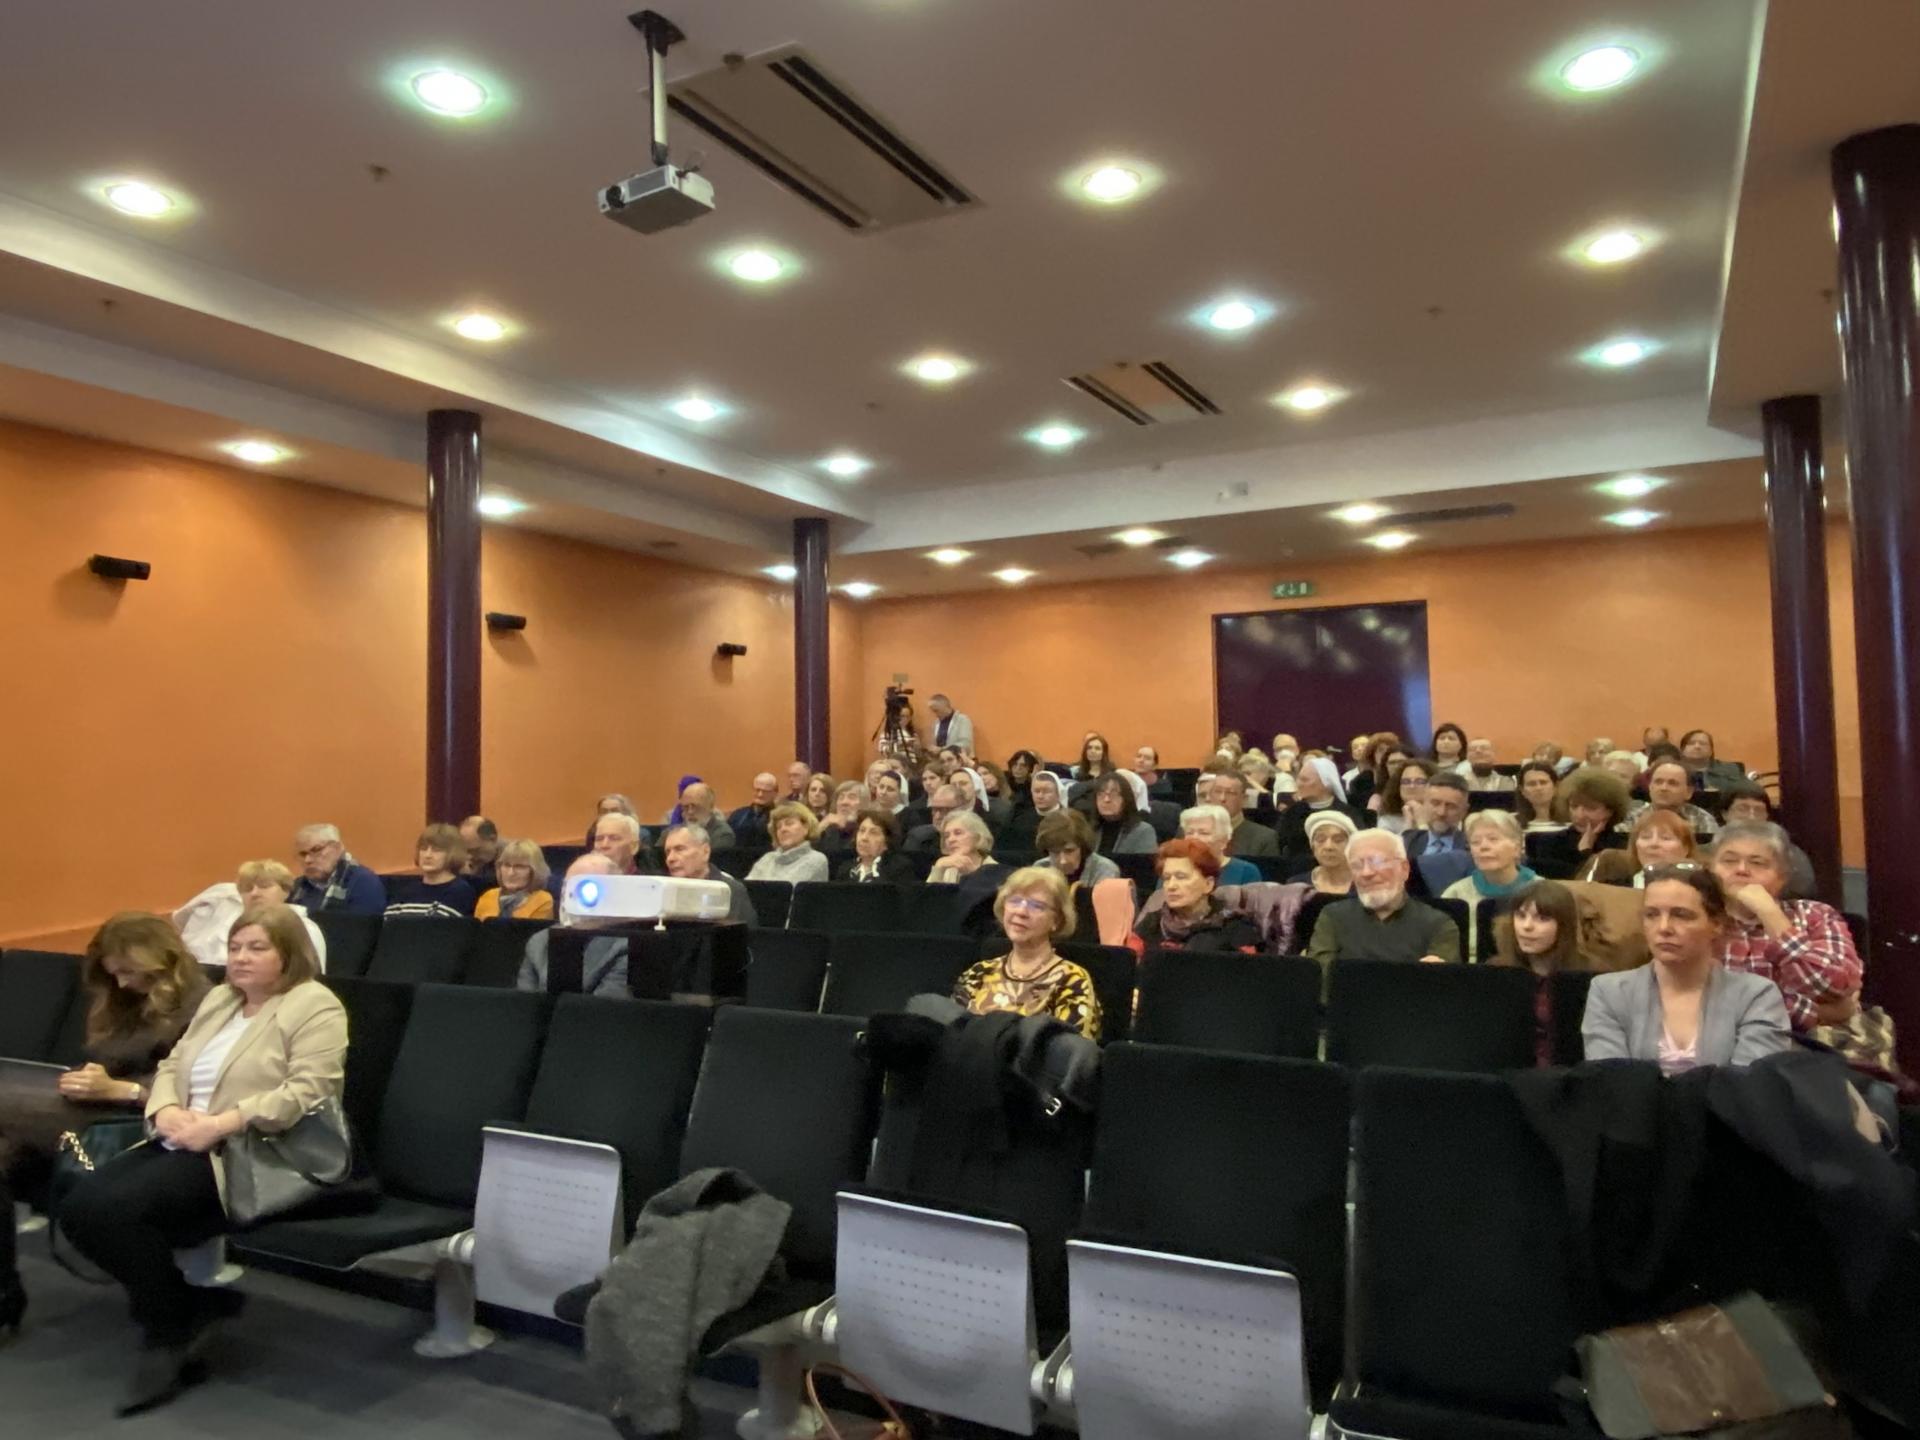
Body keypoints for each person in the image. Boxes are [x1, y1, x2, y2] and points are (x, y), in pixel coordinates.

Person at [61, 905, 346, 1414]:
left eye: (257, 948)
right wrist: (165, 1107)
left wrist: (221, 1123)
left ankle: (167, 1330)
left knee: (115, 1212)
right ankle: (189, 1306)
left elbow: (309, 1091)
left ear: (289, 953)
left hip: (255, 1148)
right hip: (187, 1134)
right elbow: (173, 1064)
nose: (241, 958)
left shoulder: (314, 1005)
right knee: (80, 1206)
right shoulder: (221, 999)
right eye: (235, 947)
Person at [0, 913, 210, 1340]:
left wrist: (120, 1088)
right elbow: (107, 1063)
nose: (121, 983)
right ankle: (3, 1291)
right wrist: (91, 1080)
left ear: (158, 960)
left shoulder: (203, 1006)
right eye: (114, 974)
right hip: (96, 1111)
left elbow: (195, 1091)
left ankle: (5, 1295)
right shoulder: (123, 1001)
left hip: (144, 1118)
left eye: (128, 971)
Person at [1581, 866, 1791, 1072]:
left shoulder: (1756, 995)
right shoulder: (1609, 991)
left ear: (1717, 924)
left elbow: (1751, 1083)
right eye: (1651, 915)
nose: (1663, 928)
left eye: (1681, 915)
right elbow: (1611, 1081)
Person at [1710, 821, 1863, 1034]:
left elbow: (1835, 988)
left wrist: (1769, 914)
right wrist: (1818, 1013)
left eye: (1757, 863)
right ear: (1710, 869)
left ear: (1782, 877)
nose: (1741, 870)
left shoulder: (1816, 914)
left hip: (1804, 1043)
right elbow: (1700, 1001)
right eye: (1729, 861)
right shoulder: (1699, 918)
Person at [951, 868, 1101, 1039]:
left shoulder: (1072, 980)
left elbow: (1072, 1050)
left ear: (1056, 920)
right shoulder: (978, 973)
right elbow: (951, 1035)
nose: (1021, 912)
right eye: (1014, 901)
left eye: (1037, 906)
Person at [1305, 829, 1461, 970]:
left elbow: (1442, 985)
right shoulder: (1333, 917)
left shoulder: (1437, 924)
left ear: (1404, 869)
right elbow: (1321, 977)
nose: (1366, 873)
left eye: (1377, 862)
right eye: (1357, 865)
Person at [1489, 879, 1588, 1066]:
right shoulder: (1495, 971)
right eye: (1520, 915)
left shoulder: (1589, 976)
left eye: (1542, 918)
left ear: (1564, 926)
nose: (1527, 926)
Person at [173, 859, 327, 971]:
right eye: (247, 888)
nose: (254, 893)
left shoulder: (304, 928)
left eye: (264, 886)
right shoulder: (230, 924)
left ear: (286, 891)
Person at [518, 855, 635, 996]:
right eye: (566, 886)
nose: (569, 895)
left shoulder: (628, 947)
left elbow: (607, 1004)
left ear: (614, 894)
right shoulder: (540, 942)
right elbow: (526, 1003)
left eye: (584, 886)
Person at [1133, 839, 1263, 953]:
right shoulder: (1151, 924)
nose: (1171, 886)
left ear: (1208, 884)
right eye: (1166, 878)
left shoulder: (1234, 927)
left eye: (1181, 877)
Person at [1442, 810, 1539, 960]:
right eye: (1475, 842)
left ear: (1517, 848)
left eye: (1493, 839)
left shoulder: (1543, 890)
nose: (1483, 847)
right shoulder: (1456, 893)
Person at [1719, 782, 1817, 899]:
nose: (1751, 816)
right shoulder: (1708, 850)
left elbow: (1801, 889)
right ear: (1724, 814)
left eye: (1759, 810)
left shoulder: (1787, 852)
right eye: (1743, 809)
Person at [1273, 756, 1363, 875]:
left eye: (1305, 780)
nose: (1298, 784)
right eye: (1298, 779)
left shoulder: (1347, 814)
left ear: (1326, 783)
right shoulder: (1293, 812)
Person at [1533, 766, 1632, 872]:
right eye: (1574, 806)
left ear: (1611, 810)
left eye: (1590, 808)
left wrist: (1585, 851)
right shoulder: (1549, 843)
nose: (1579, 815)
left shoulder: (1625, 845)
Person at [661, 824, 758, 924]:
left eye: (680, 849)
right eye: (667, 852)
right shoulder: (663, 890)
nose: (670, 859)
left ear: (705, 852)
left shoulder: (730, 890)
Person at [1580, 808, 1698, 886]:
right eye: (1645, 837)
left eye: (1665, 838)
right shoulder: (1614, 887)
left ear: (1686, 849)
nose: (1653, 844)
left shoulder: (1700, 890)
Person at [384, 822, 478, 918]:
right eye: (424, 849)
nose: (428, 855)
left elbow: (436, 923)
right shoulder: (405, 891)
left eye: (436, 850)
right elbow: (388, 922)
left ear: (453, 853)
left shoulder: (460, 891)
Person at [287, 823, 385, 915]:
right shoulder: (297, 887)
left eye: (316, 850)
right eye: (303, 854)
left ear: (337, 848)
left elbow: (363, 925)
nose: (307, 860)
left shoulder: (362, 881)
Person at [1404, 772, 1475, 895]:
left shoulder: (1472, 848)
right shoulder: (1407, 841)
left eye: (1451, 806)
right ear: (1424, 803)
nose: (1441, 812)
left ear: (1464, 811)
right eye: (1435, 803)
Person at [1034, 808, 1121, 890]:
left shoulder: (1105, 870)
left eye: (1069, 851)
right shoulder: (1040, 869)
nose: (1063, 861)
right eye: (1055, 852)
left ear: (1083, 848)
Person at [748, 802, 830, 884]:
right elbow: (746, 887)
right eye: (778, 827)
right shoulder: (767, 858)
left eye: (789, 823)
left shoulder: (816, 859)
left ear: (806, 828)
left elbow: (788, 890)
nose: (783, 829)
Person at [474, 839, 554, 920]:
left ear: (534, 871)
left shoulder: (542, 900)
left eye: (519, 867)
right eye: (506, 865)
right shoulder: (488, 896)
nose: (510, 873)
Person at [1211, 765, 1279, 858]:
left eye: (1230, 793)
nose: (1222, 798)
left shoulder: (1264, 838)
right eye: (1217, 791)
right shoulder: (1194, 832)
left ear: (1244, 799)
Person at [834, 809, 916, 883]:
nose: (864, 838)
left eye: (873, 833)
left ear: (887, 842)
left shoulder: (900, 869)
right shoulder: (845, 869)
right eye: (862, 831)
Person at [1644, 758, 1720, 836]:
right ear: (1650, 787)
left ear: (1688, 792)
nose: (1664, 788)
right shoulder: (1636, 817)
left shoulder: (1702, 820)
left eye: (1672, 783)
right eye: (1658, 782)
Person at [1089, 771, 1156, 855]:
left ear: (1126, 799)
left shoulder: (1143, 831)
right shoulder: (1088, 830)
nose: (1106, 800)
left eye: (1113, 794)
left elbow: (1144, 862)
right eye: (1100, 794)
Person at [1293, 810, 1358, 894]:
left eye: (1338, 840)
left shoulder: (1367, 882)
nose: (1328, 846)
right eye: (1320, 840)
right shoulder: (1297, 886)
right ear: (1312, 846)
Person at [930, 810, 1000, 885]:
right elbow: (929, 892)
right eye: (947, 836)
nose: (950, 840)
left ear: (977, 836)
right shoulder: (948, 868)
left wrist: (973, 874)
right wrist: (938, 868)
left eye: (958, 833)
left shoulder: (996, 871)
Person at [1373, 758, 1432, 835]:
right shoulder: (1388, 820)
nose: (1412, 786)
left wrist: (1422, 823)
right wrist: (1408, 824)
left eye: (1420, 781)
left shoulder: (1441, 814)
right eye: (1406, 782)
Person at [815, 781, 871, 858]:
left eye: (851, 797)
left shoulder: (866, 829)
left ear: (864, 803)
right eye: (841, 798)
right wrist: (821, 826)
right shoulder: (829, 826)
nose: (844, 802)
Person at [676, 782, 736, 852]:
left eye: (695, 806)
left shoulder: (722, 835)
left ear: (711, 807)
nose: (690, 812)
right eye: (686, 807)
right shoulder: (674, 833)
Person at [1679, 730, 1745, 789]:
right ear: (1682, 750)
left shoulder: (1730, 769)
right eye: (1691, 743)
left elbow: (1746, 789)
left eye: (1703, 743)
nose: (1697, 746)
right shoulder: (1675, 770)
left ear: (1711, 751)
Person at [905, 784, 961, 854]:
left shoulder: (972, 837)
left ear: (962, 809)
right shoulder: (918, 839)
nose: (937, 816)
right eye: (934, 809)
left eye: (944, 810)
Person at [728, 772, 780, 848]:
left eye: (765, 791)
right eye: (757, 790)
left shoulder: (780, 817)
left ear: (775, 793)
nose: (760, 794)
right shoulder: (738, 815)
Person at [591, 811, 652, 876]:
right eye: (599, 839)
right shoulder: (585, 877)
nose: (604, 845)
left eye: (614, 838)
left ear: (634, 847)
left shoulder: (650, 880)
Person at [1514, 760, 1566, 829]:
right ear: (1522, 791)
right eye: (1532, 784)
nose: (1538, 788)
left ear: (1555, 787)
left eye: (1543, 782)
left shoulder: (1573, 821)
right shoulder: (1514, 824)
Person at [459, 815, 499, 893]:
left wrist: (469, 877)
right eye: (465, 850)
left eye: (475, 850)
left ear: (492, 839)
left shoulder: (511, 858)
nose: (468, 856)